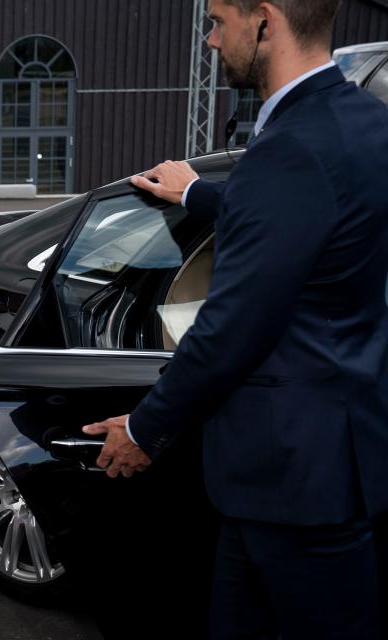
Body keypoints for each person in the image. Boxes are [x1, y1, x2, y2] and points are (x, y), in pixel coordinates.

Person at [82, 1, 388, 637]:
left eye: (219, 21)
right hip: (340, 452)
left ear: (266, 22)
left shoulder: (288, 150)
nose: (212, 41)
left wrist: (143, 429)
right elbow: (315, 226)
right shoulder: (365, 122)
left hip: (291, 479)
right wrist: (201, 193)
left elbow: (230, 329)